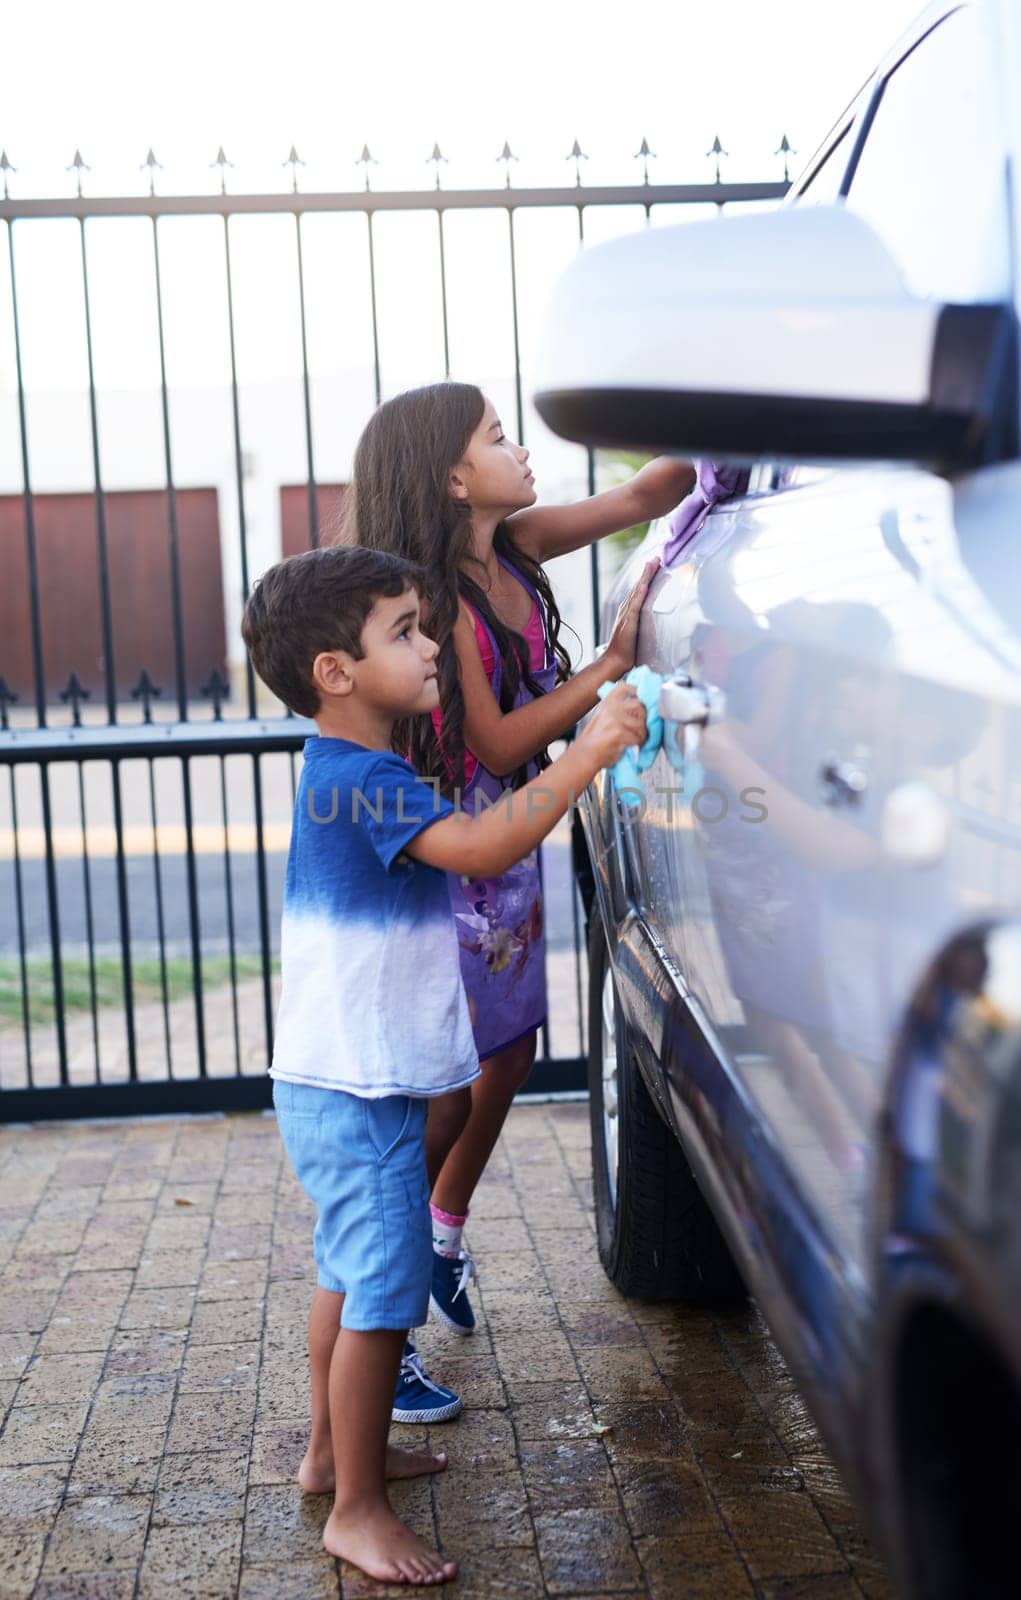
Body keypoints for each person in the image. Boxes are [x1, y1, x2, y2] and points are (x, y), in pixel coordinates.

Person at [241, 544, 647, 1587]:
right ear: (337, 671)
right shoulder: (366, 779)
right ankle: (357, 1511)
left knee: (349, 1267)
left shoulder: (350, 769)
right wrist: (586, 750)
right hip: (357, 1085)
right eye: (406, 632)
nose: (432, 648)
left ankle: (338, 1454)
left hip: (343, 1078)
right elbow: (480, 848)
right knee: (382, 1291)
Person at [345, 380, 692, 1341]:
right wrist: (603, 676)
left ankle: (441, 1237)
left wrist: (711, 428)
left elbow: (646, 496)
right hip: (459, 854)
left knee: (512, 1054)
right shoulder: (440, 599)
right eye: (500, 437)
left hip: (510, 848)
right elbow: (495, 746)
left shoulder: (520, 544)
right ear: (457, 478)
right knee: (446, 1096)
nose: (523, 450)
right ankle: (390, 1309)